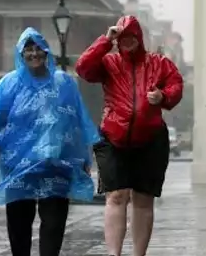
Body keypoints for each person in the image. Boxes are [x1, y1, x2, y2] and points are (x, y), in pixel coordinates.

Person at [0, 27, 99, 256]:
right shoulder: (8, 85)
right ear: (21, 53)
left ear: (47, 51)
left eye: (38, 48)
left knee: (54, 224)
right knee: (19, 226)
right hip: (18, 167)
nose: (34, 54)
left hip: (57, 166)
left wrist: (84, 160)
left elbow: (78, 124)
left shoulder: (64, 83)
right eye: (28, 49)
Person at [75, 15, 184, 256]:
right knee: (116, 195)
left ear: (139, 37)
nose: (126, 41)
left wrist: (163, 96)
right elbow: (83, 67)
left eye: (130, 37)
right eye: (121, 38)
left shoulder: (158, 63)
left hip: (151, 139)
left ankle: (138, 254)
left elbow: (176, 85)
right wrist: (106, 40)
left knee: (143, 199)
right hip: (114, 138)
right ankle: (114, 254)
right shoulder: (109, 63)